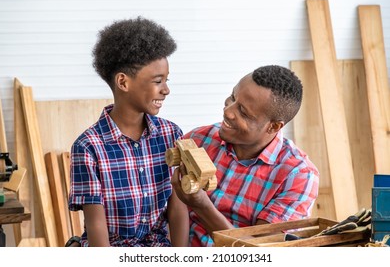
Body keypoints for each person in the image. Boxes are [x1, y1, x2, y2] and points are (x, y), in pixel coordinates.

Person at [68, 17, 189, 247]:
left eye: (166, 80)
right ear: (123, 82)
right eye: (158, 81)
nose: (166, 90)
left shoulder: (171, 134)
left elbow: (178, 209)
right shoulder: (88, 147)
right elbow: (96, 227)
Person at [171, 65, 320, 247]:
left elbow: (261, 253)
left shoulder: (298, 176)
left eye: (243, 112)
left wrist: (202, 205)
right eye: (232, 97)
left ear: (273, 127)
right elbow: (174, 210)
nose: (228, 111)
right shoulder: (198, 140)